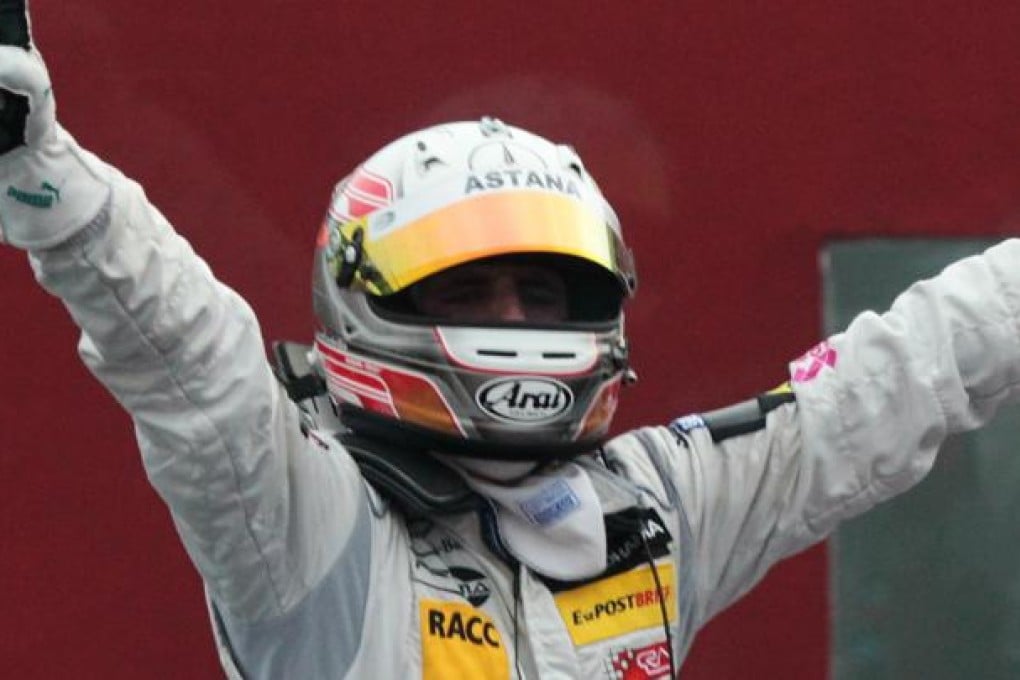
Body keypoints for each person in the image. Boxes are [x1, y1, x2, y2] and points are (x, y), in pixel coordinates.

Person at [4, 5, 1020, 679]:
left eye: (544, 288)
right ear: (369, 297)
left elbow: (907, 374)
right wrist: (41, 168)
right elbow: (190, 363)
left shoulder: (653, 506)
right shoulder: (304, 521)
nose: (517, 322)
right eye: (472, 286)